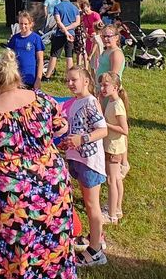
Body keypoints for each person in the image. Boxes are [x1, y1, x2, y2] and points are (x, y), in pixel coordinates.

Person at [0, 49, 75, 278]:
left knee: (13, 247)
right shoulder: (43, 99)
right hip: (52, 184)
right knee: (53, 238)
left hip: (13, 192)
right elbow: (61, 127)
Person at [63, 64, 110, 267]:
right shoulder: (76, 102)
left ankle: (96, 251)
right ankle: (95, 237)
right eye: (68, 80)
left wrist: (81, 140)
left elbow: (103, 130)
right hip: (78, 158)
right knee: (89, 203)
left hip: (90, 162)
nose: (70, 83)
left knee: (92, 205)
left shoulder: (90, 102)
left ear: (86, 81)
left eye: (74, 79)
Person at [99, 71, 129, 225]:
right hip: (113, 146)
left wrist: (105, 124)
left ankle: (111, 216)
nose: (102, 88)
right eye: (101, 84)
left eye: (106, 85)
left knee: (111, 180)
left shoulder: (117, 105)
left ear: (116, 87)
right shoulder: (111, 101)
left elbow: (124, 130)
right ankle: (116, 208)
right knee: (117, 179)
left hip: (113, 148)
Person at [6, 11, 45, 90]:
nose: (23, 26)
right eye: (21, 23)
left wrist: (38, 79)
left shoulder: (36, 38)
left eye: (26, 24)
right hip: (16, 78)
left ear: (31, 24)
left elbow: (40, 60)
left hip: (30, 77)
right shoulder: (15, 38)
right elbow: (9, 58)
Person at [47, 0, 79, 80]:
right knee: (69, 56)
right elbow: (77, 22)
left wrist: (64, 30)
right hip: (71, 34)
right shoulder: (75, 8)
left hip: (60, 34)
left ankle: (48, 76)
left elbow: (58, 21)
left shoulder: (58, 7)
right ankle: (69, 78)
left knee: (54, 55)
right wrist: (68, 30)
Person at [76, 0, 102, 69]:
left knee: (96, 56)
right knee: (88, 54)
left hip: (96, 36)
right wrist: (85, 32)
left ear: (89, 7)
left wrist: (96, 33)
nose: (85, 12)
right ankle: (88, 70)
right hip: (89, 37)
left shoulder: (95, 15)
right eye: (83, 10)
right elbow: (84, 25)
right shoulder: (84, 16)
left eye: (86, 10)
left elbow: (100, 25)